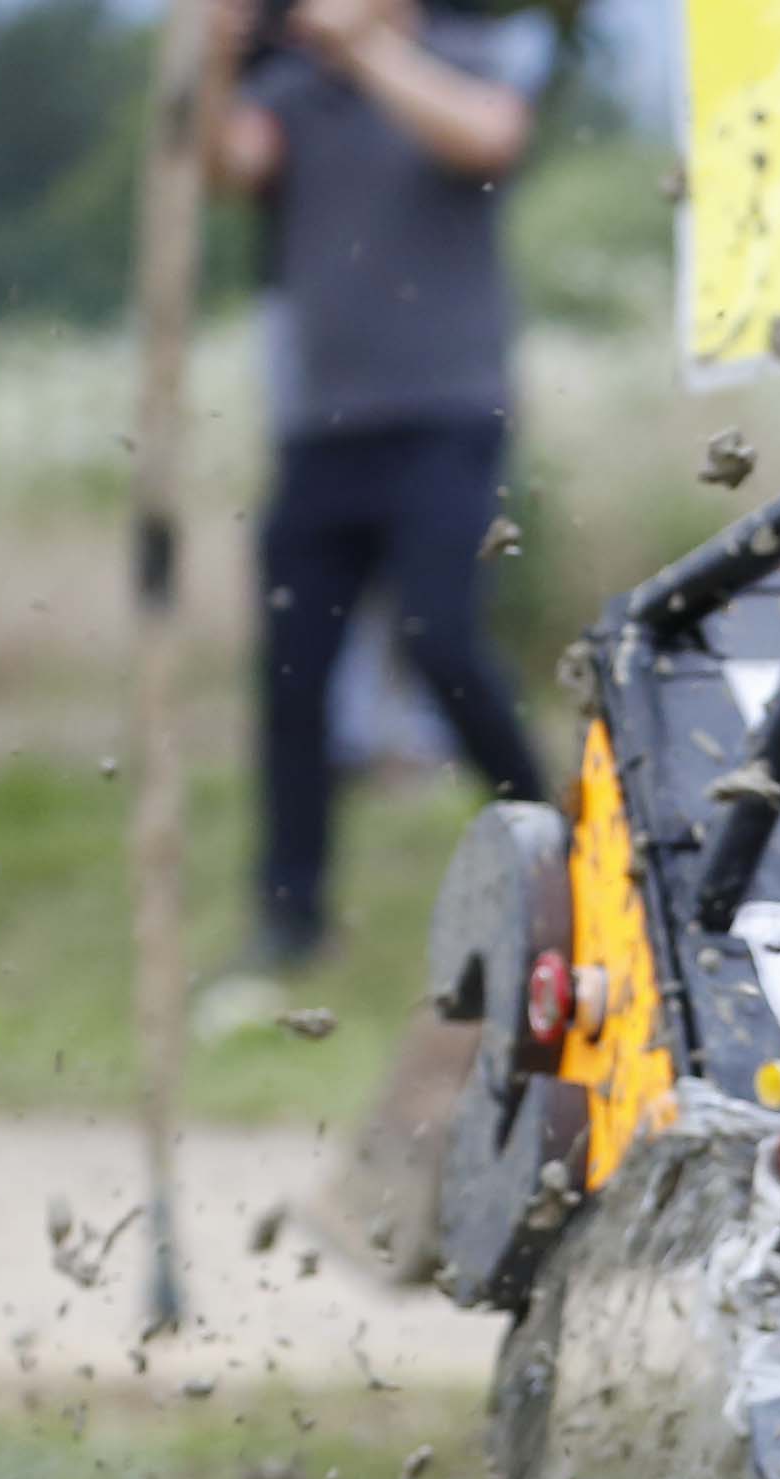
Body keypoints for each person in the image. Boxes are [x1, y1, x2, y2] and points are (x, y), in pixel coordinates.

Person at [206, 0, 556, 982]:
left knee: (442, 640)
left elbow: (487, 136)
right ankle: (289, 920)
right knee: (292, 677)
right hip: (323, 430)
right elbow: (227, 166)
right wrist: (211, 62)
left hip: (447, 416)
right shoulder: (289, 92)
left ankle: (556, 844)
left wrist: (367, 51)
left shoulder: (470, 55)